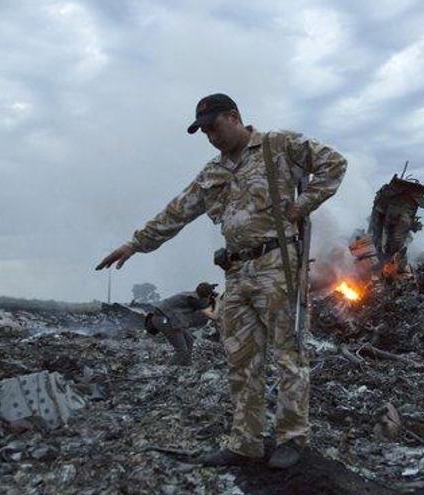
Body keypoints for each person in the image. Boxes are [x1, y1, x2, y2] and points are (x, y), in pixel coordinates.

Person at [95, 93, 347, 469]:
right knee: (242, 359)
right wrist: (136, 243)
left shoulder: (278, 146)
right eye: (204, 132)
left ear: (234, 117)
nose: (210, 137)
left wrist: (305, 203)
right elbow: (177, 211)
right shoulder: (213, 173)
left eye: (214, 127)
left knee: (289, 356)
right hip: (237, 272)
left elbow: (334, 163)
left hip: (278, 266)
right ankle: (246, 443)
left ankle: (292, 439)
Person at [144, 282, 220, 366]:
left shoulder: (191, 295)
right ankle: (167, 370)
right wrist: (218, 302)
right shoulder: (194, 301)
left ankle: (186, 364)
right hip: (165, 321)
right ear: (207, 295)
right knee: (181, 350)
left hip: (168, 318)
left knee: (189, 340)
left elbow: (203, 297)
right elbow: (214, 316)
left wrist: (210, 292)